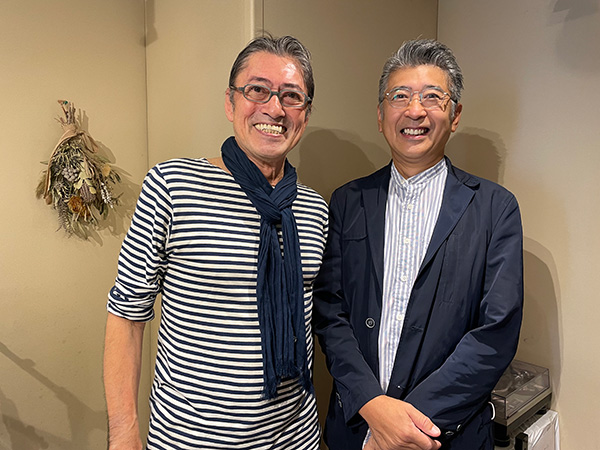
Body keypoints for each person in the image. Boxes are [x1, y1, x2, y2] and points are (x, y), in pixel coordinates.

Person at [103, 35, 328, 450]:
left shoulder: (315, 209)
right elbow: (126, 317)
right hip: (189, 439)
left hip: (295, 438)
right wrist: (123, 431)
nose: (275, 108)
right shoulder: (172, 186)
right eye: (257, 90)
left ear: (306, 113)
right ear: (230, 102)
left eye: (292, 96)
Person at [313, 39, 523, 450]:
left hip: (445, 435)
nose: (414, 110)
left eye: (432, 97)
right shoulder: (348, 201)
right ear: (380, 115)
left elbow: (495, 333)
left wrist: (404, 428)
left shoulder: (495, 208)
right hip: (357, 428)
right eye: (400, 96)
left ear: (455, 115)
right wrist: (373, 406)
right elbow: (330, 313)